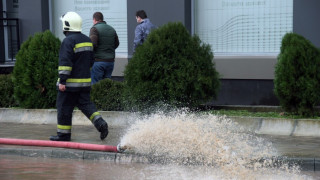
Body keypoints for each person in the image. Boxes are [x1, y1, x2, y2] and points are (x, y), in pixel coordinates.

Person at [49, 11, 109, 141]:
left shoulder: (68, 41)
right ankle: (100, 123)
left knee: (64, 108)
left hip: (69, 85)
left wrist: (62, 81)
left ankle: (63, 135)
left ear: (67, 24)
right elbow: (91, 61)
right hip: (85, 83)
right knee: (87, 106)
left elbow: (65, 63)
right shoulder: (87, 40)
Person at [90, 12, 119, 85]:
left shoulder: (94, 29)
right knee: (107, 86)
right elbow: (117, 43)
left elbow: (93, 44)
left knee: (96, 86)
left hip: (98, 61)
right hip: (110, 62)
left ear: (94, 19)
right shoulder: (112, 29)